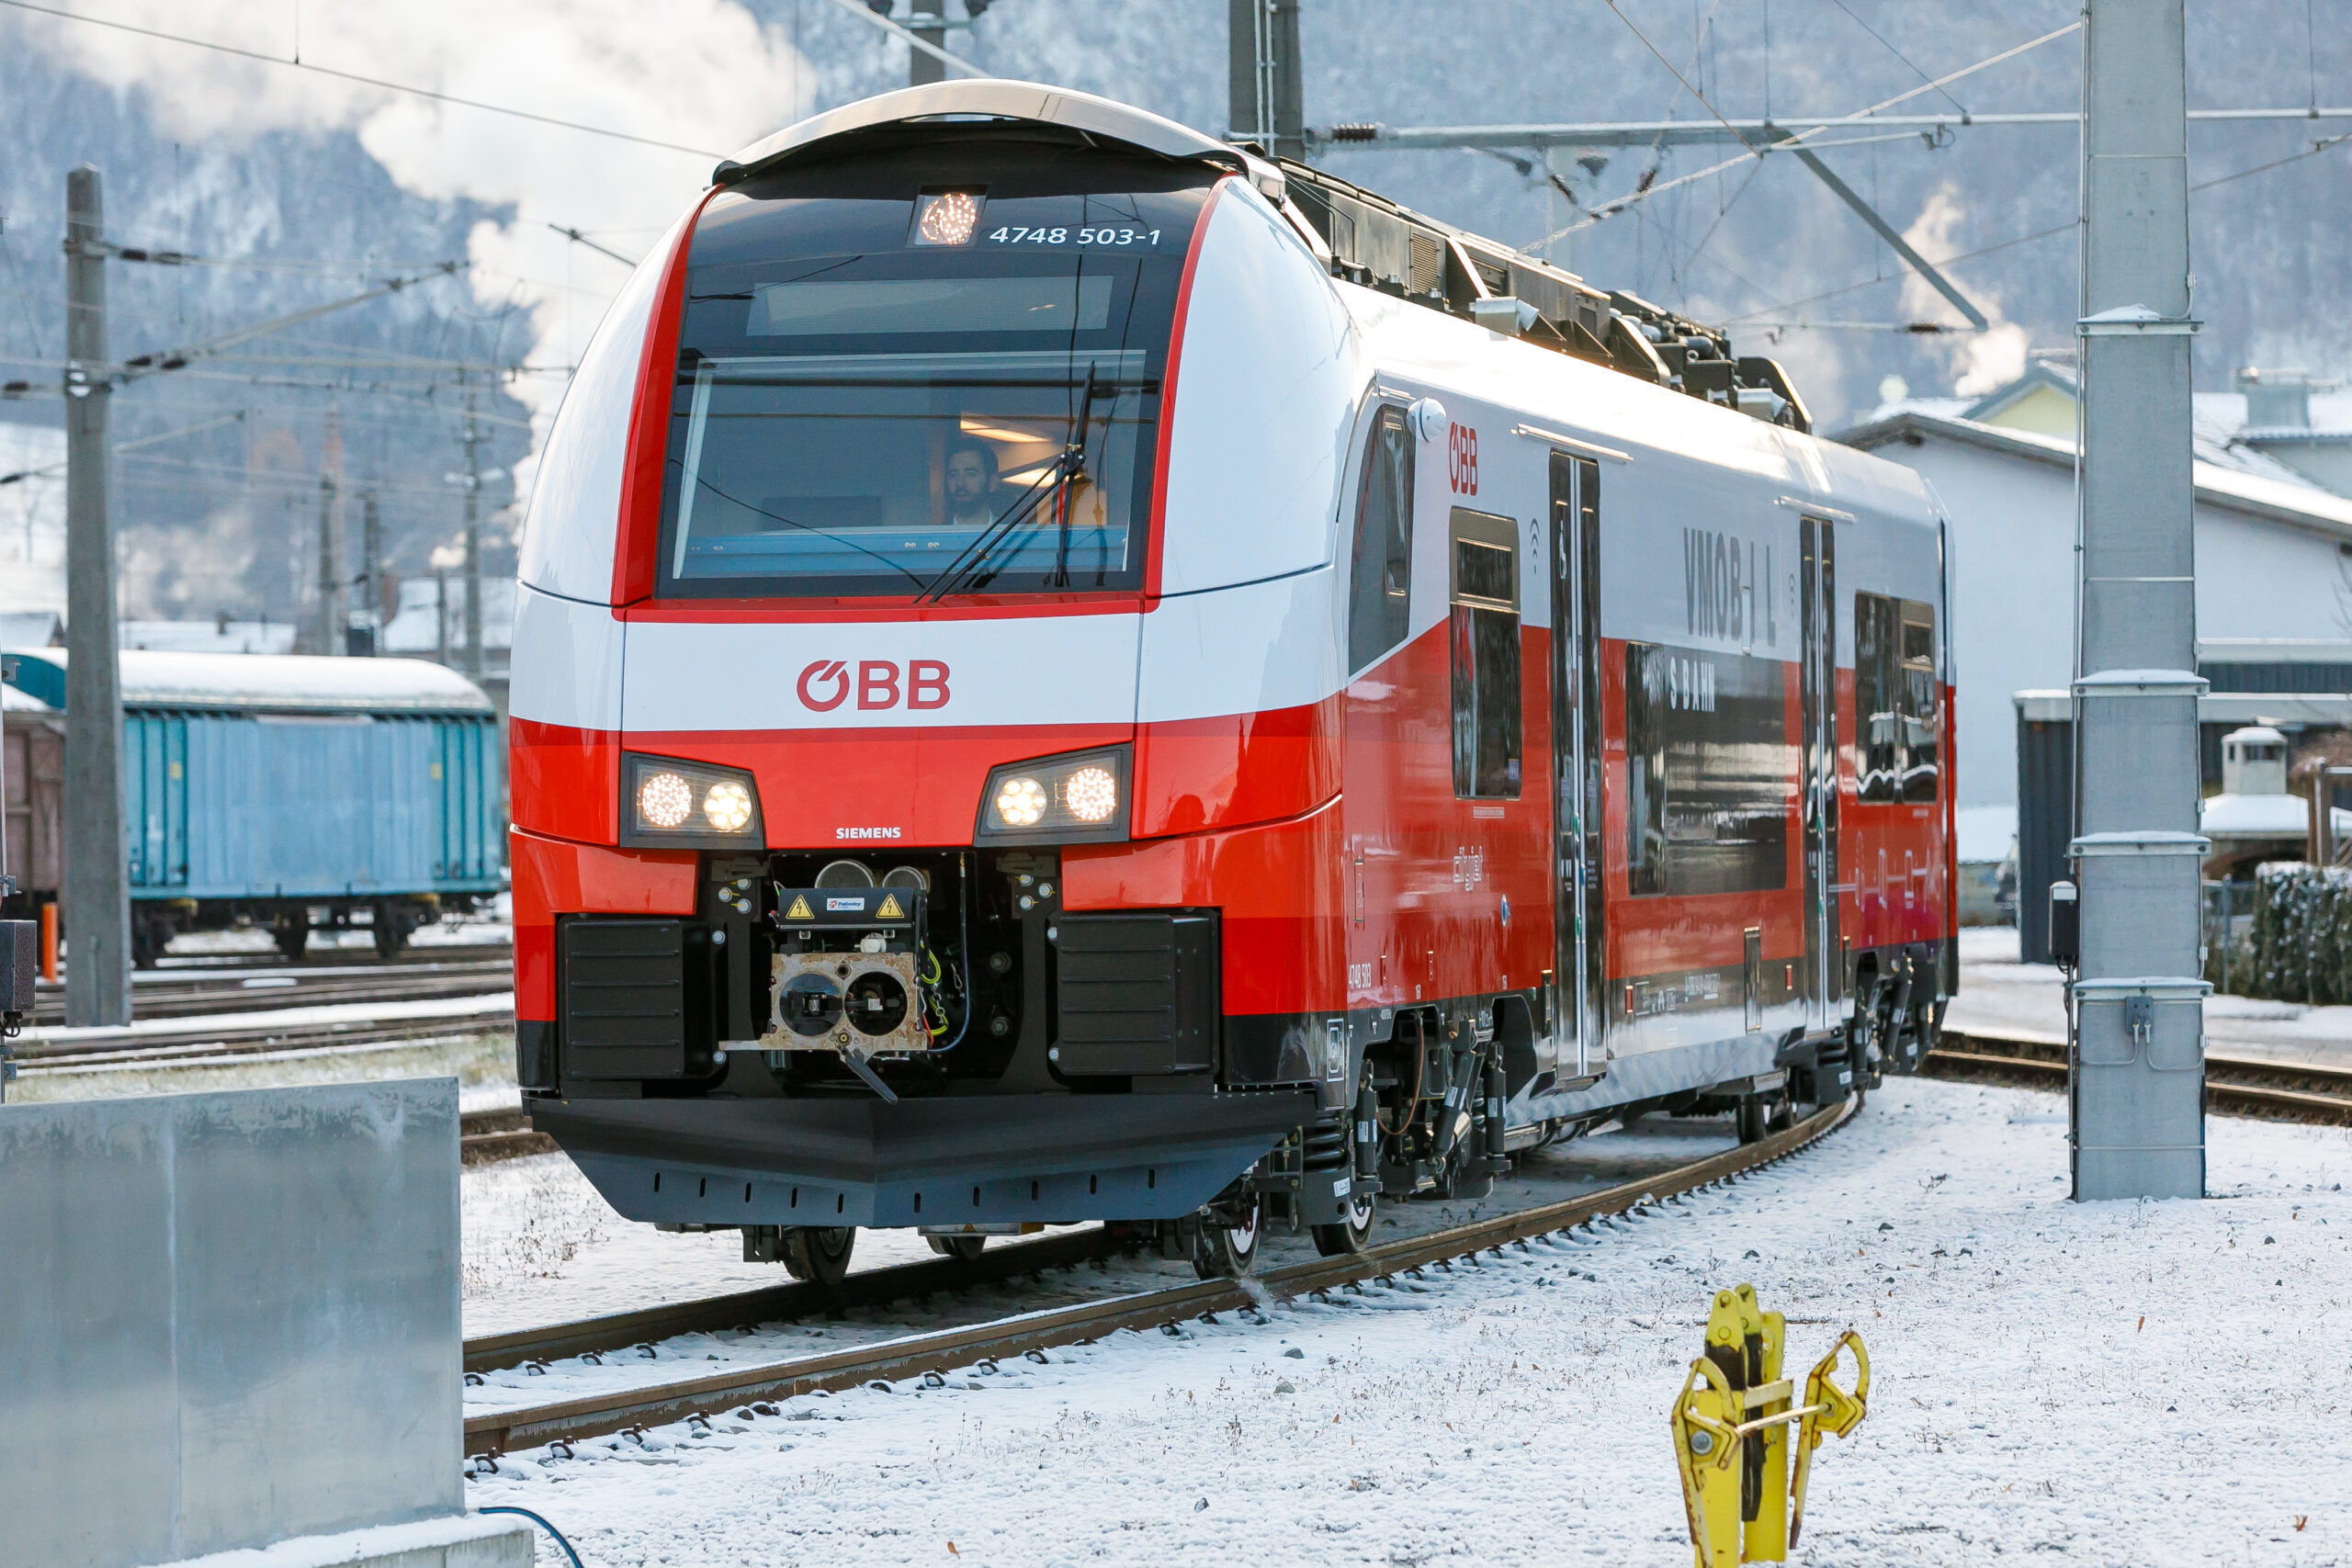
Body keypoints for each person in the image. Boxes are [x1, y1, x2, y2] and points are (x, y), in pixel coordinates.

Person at [944, 436, 999, 529]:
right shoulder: (932, 537)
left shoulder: (1012, 534)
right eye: (953, 475)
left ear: (992, 483)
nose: (960, 483)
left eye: (971, 474)